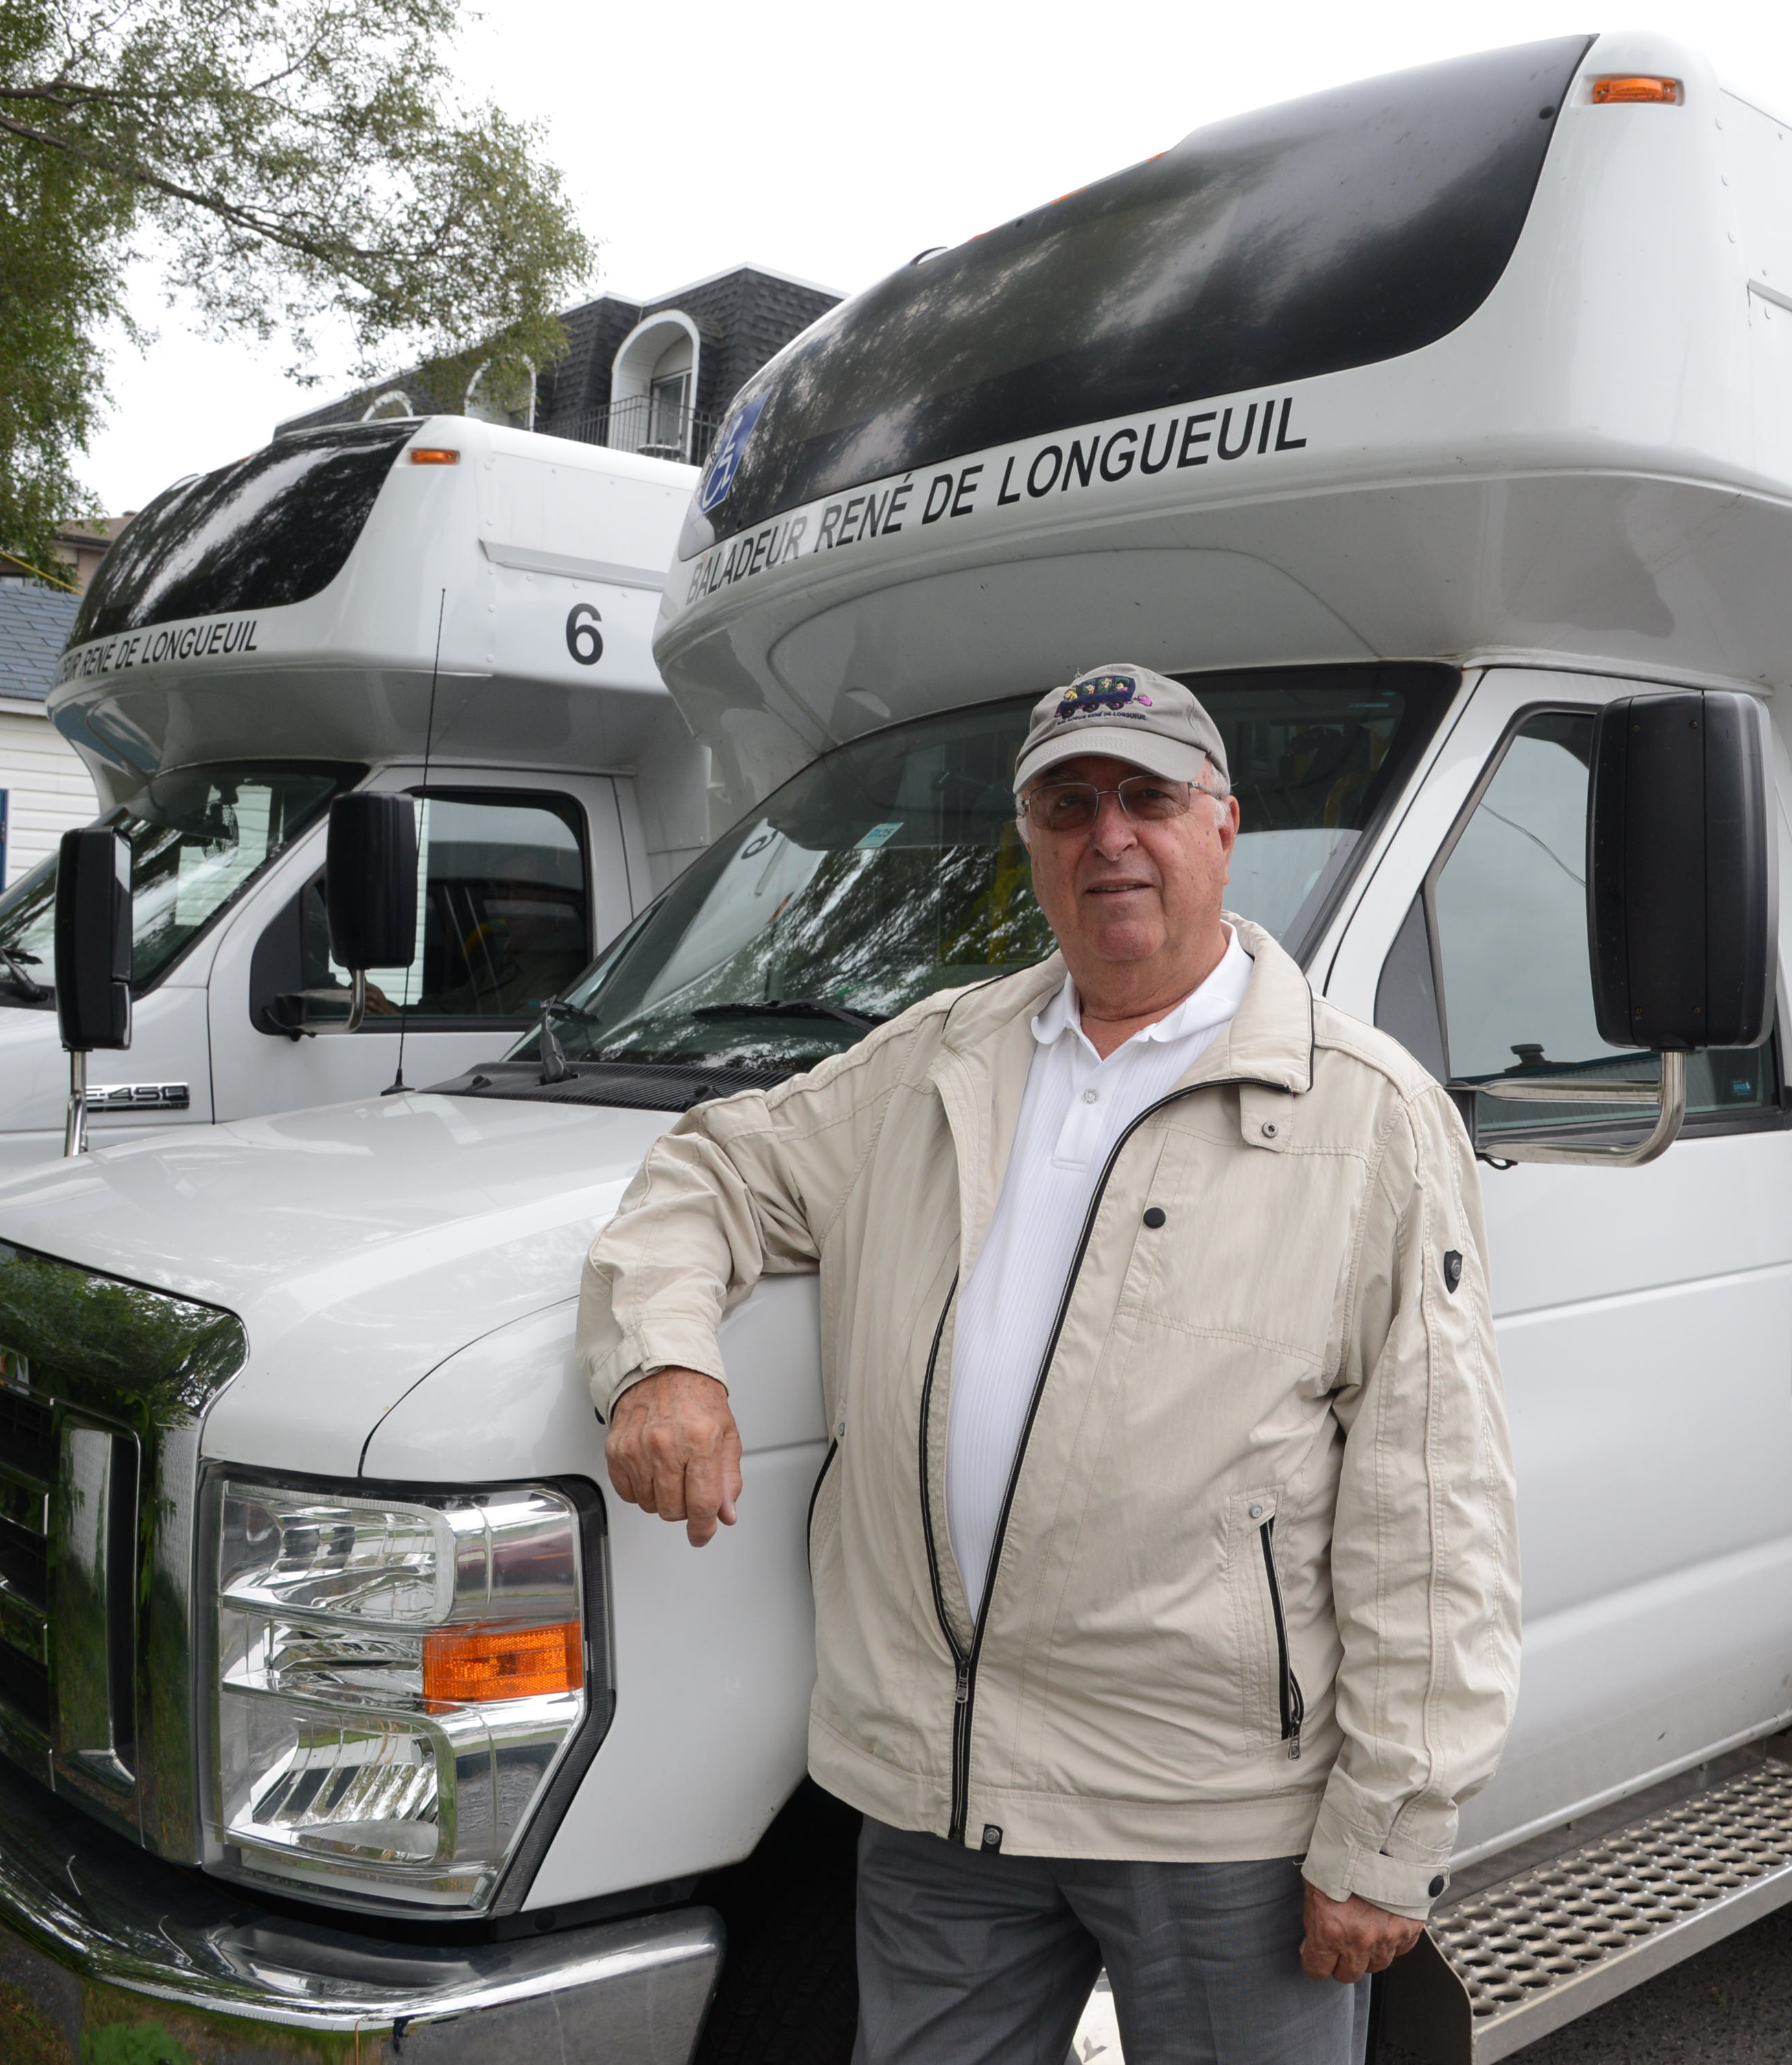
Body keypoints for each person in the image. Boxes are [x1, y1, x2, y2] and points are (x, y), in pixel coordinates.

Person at [579, 662, 1520, 2064]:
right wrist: (664, 1361)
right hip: (941, 1804)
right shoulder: (936, 1061)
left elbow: (1433, 1504)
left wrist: (1388, 1832)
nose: (1109, 835)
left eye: (1148, 795)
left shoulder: (1367, 1117)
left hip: (1211, 1818)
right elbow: (712, 1168)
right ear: (1030, 840)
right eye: (1068, 804)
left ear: (1223, 826)